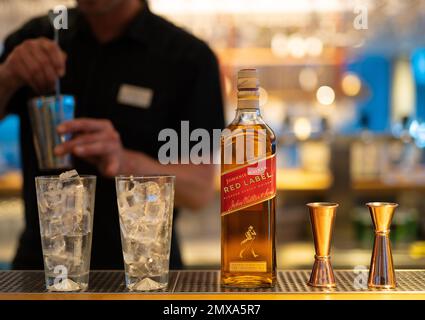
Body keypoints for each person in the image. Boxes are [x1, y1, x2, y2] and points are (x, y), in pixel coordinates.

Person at [0, 0, 224, 270]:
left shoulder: (188, 58)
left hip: (144, 272)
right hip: (42, 269)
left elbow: (198, 190)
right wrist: (7, 77)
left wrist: (125, 162)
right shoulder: (39, 36)